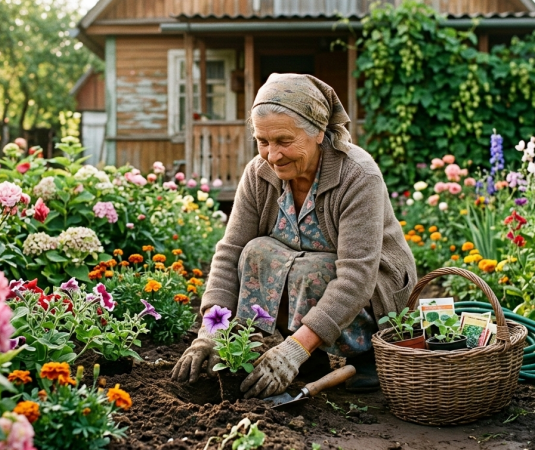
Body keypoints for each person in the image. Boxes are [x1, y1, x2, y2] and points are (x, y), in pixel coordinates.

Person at [170, 73, 416, 398]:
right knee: (256, 252)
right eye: (262, 141)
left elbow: (356, 278)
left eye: (284, 141)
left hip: (374, 300)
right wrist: (211, 329)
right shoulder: (260, 173)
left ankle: (365, 356)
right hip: (314, 285)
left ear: (318, 132)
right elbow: (231, 250)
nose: (272, 155)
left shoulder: (358, 175)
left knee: (313, 272)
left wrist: (292, 352)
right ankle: (311, 356)